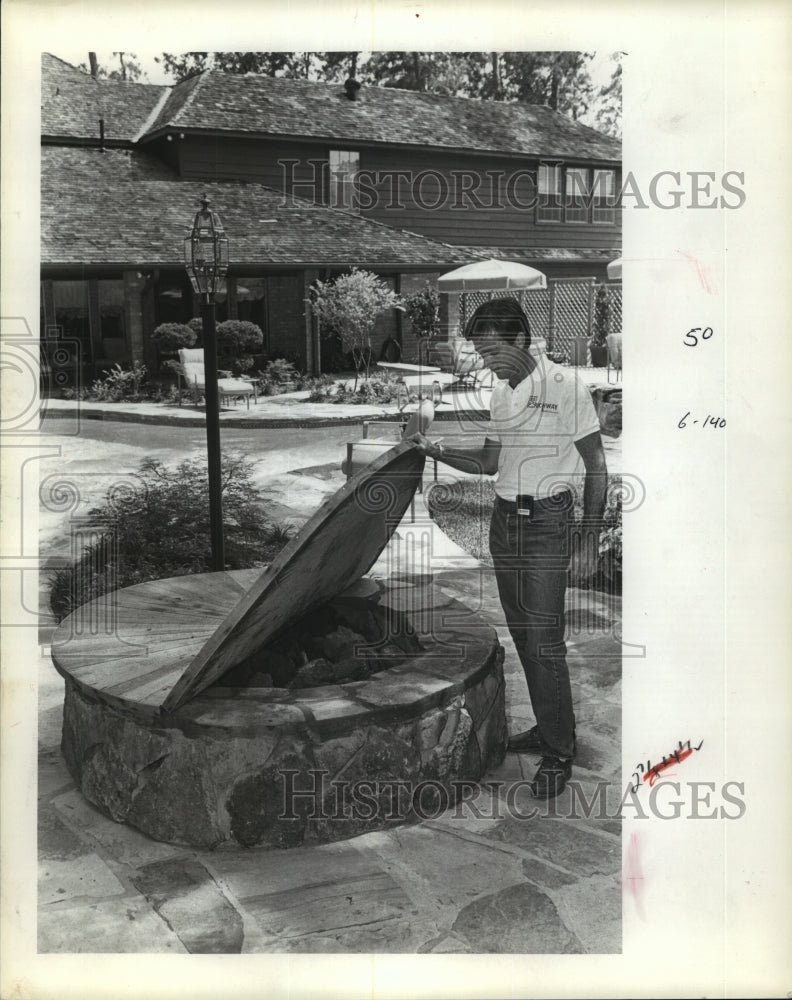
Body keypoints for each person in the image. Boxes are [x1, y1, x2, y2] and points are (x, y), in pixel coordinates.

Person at [410, 298, 607, 798]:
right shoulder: (501, 394)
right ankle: (548, 726)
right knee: (523, 636)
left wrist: (587, 537)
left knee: (544, 642)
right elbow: (489, 464)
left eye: (494, 349)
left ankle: (559, 752)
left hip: (547, 524)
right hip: (504, 524)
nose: (489, 361)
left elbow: (597, 466)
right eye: (482, 351)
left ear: (522, 339)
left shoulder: (566, 386)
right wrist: (437, 451)